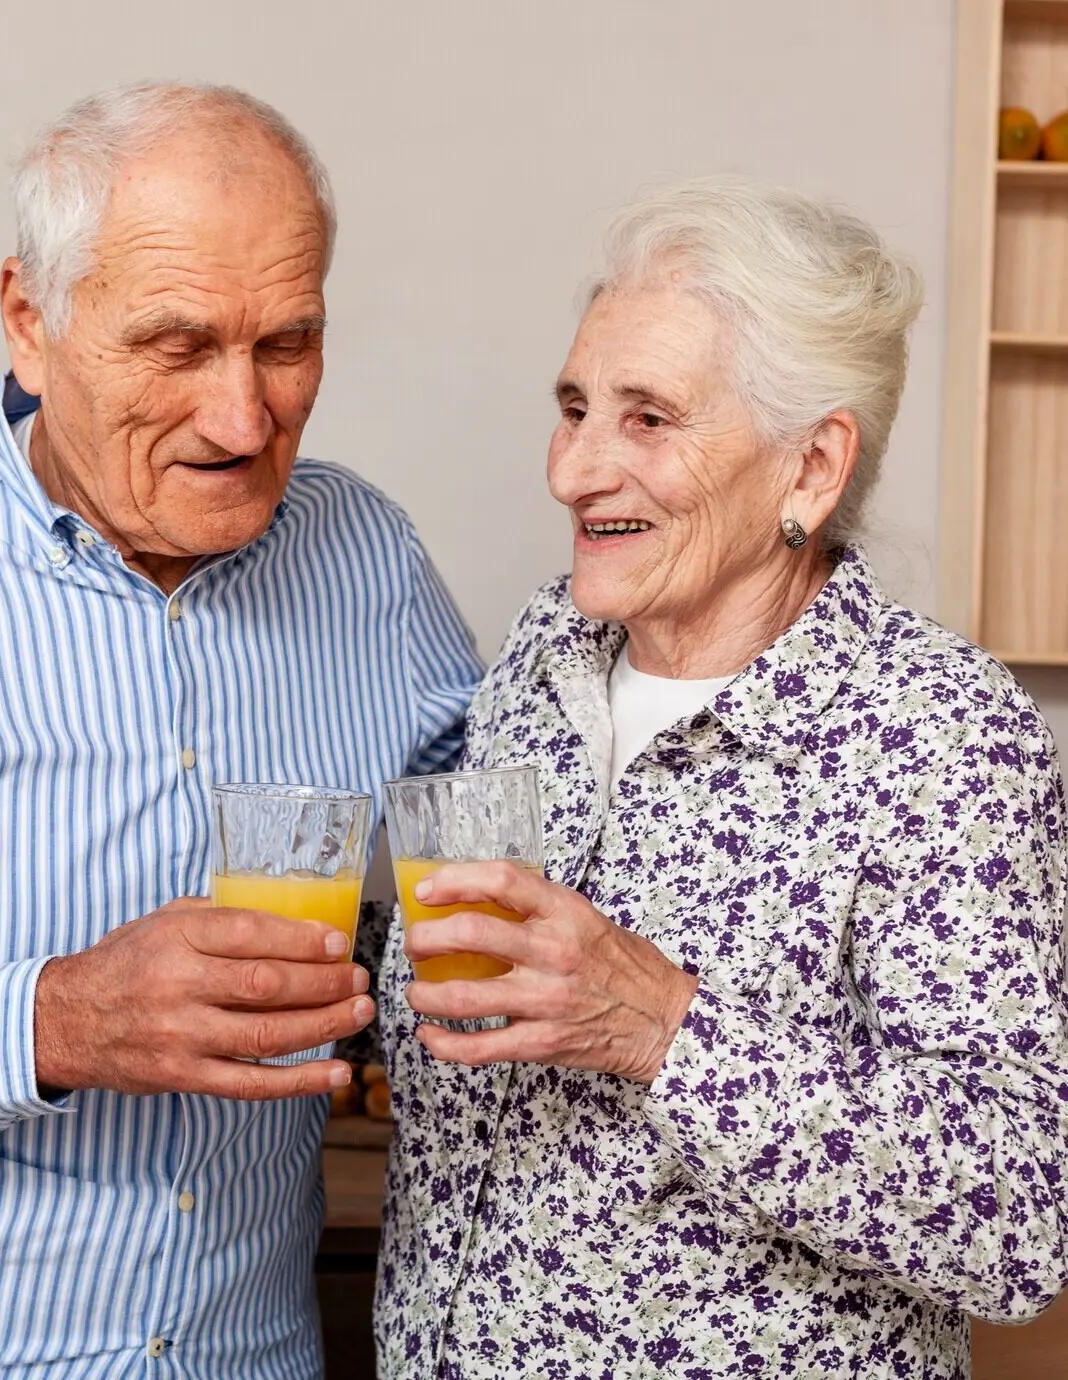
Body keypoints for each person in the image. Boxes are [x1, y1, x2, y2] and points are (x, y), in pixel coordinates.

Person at [0, 82, 482, 1378]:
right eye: (176, 346)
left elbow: (504, 847)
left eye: (287, 344)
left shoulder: (365, 554)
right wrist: (54, 1021)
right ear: (30, 322)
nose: (243, 419)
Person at [375, 177, 1068, 1379]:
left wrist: (666, 1031)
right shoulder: (545, 654)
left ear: (812, 467)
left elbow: (1022, 1221)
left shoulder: (939, 734)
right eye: (575, 407)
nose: (573, 471)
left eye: (648, 419)